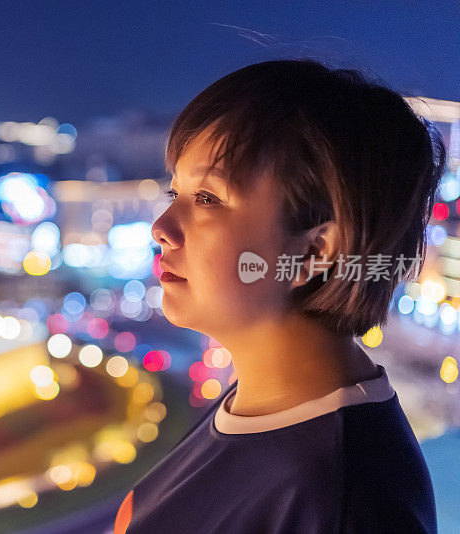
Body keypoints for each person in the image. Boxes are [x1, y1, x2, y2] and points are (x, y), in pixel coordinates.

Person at [112, 58, 445, 533]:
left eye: (207, 199)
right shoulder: (257, 407)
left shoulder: (341, 504)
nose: (161, 229)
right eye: (174, 195)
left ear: (312, 252)